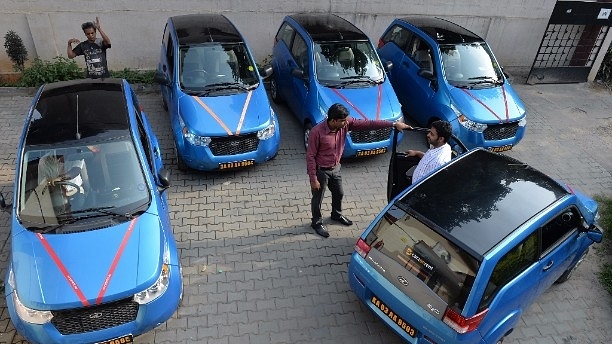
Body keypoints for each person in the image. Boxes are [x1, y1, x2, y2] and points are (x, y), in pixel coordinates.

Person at [306, 103, 412, 238]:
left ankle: (336, 215)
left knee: (339, 193)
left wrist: (393, 124)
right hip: (321, 171)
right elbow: (310, 156)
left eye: (346, 120)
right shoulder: (317, 132)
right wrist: (313, 179)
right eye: (343, 121)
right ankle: (316, 222)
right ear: (333, 120)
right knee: (318, 198)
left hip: (336, 168)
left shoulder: (345, 123)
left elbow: (369, 124)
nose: (346, 123)